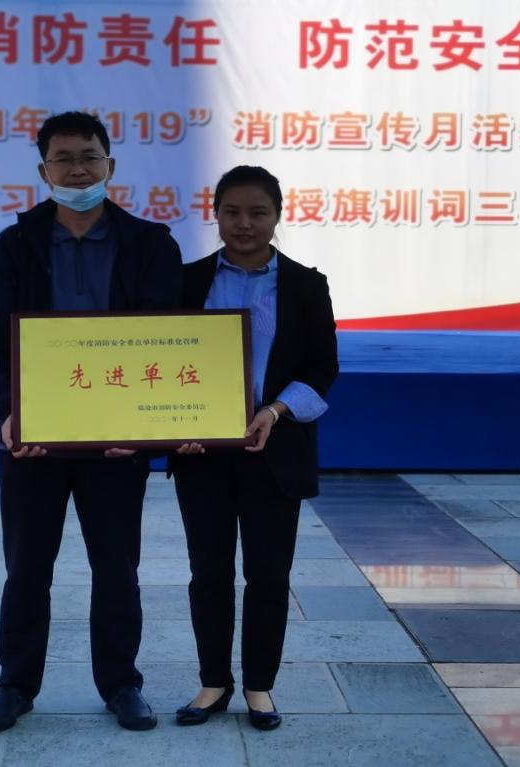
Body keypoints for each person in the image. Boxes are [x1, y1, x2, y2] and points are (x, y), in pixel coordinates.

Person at [0, 111, 183, 732]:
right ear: (44, 172)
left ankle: (122, 684)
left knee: (117, 568)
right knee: (27, 569)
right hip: (34, 440)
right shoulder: (15, 245)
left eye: (89, 157)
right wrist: (10, 415)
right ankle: (14, 684)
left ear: (110, 165)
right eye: (63, 159)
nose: (78, 170)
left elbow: (165, 340)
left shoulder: (150, 244)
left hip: (117, 443)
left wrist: (143, 429)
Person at [170, 165, 338, 731]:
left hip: (274, 452)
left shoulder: (306, 285)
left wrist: (275, 410)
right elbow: (161, 361)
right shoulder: (186, 281)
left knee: (268, 574)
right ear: (215, 214)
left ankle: (259, 686)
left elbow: (323, 368)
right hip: (201, 454)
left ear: (278, 216)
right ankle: (213, 682)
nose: (244, 223)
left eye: (257, 213)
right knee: (208, 573)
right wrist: (173, 421)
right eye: (232, 212)